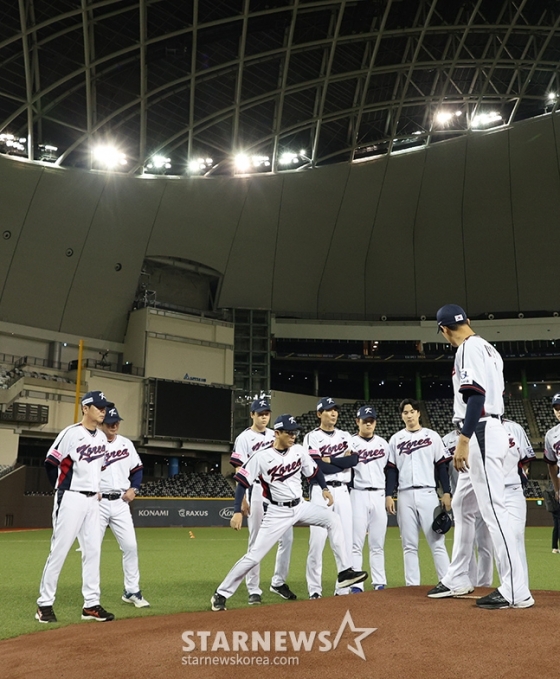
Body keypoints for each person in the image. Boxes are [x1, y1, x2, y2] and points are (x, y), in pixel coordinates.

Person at [427, 304, 534, 609]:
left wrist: (463, 439)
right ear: (468, 321)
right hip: (489, 428)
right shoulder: (489, 348)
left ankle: (516, 589)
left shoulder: (466, 349)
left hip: (481, 431)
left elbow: (475, 396)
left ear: (444, 330)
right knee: (462, 504)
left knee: (493, 513)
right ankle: (458, 576)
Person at [211, 414, 368, 611]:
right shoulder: (261, 457)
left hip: (300, 506)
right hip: (277, 511)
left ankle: (345, 572)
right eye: (289, 432)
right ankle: (221, 593)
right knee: (254, 556)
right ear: (277, 433)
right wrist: (237, 511)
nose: (293, 436)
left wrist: (324, 488)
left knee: (333, 519)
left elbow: (314, 471)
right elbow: (242, 482)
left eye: (295, 432)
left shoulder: (299, 452)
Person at [36, 390, 115, 623]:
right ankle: (44, 604)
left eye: (104, 407)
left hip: (93, 501)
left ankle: (91, 604)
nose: (103, 411)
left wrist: (96, 488)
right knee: (59, 550)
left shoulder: (101, 438)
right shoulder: (71, 433)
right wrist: (62, 489)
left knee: (93, 551)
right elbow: (51, 463)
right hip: (71, 497)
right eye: (99, 407)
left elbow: (98, 467)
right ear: (85, 408)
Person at [229, 399, 294, 604]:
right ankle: (253, 588)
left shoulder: (275, 433)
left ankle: (278, 581)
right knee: (256, 540)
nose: (264, 416)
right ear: (252, 415)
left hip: (277, 489)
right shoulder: (244, 438)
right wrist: (244, 498)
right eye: (260, 413)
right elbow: (239, 469)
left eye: (267, 413)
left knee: (288, 538)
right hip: (255, 488)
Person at [386, 398, 452, 586]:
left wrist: (446, 492)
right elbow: (392, 469)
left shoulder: (432, 436)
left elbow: (441, 466)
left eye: (411, 411)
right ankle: (411, 585)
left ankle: (446, 582)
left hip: (428, 493)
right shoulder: (396, 439)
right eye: (405, 412)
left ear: (418, 413)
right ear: (402, 416)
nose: (408, 415)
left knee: (437, 540)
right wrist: (389, 494)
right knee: (409, 544)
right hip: (404, 494)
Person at [304, 397, 357, 598]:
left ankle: (342, 589)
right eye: (328, 410)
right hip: (320, 490)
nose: (333, 413)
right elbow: (318, 467)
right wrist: (340, 462)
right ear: (319, 414)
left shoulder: (345, 435)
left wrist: (332, 460)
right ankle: (315, 590)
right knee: (317, 542)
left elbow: (353, 460)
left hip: (343, 491)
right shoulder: (312, 437)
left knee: (344, 541)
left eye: (335, 410)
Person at [99, 404, 150, 608]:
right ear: (103, 423)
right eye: (111, 422)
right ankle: (91, 598)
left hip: (120, 502)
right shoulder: (93, 443)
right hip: (98, 503)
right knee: (92, 550)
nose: (115, 425)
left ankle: (132, 591)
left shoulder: (126, 444)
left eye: (117, 421)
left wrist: (134, 488)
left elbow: (137, 469)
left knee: (130, 547)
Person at [443, 428, 493, 587]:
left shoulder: (482, 432)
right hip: (462, 494)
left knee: (485, 544)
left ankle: (484, 584)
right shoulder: (447, 439)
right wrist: (447, 493)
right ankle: (469, 580)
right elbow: (443, 470)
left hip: (482, 495)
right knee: (466, 543)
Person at [349, 405, 390, 591]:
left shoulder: (383, 443)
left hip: (379, 494)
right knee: (356, 542)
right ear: (357, 422)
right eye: (364, 420)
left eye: (371, 420)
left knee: (377, 543)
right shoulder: (349, 443)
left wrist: (389, 494)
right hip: (358, 493)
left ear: (375, 422)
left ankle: (379, 582)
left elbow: (389, 470)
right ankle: (357, 583)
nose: (368, 423)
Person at [502, 418, 535, 589]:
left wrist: (524, 472)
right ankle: (507, 587)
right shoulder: (477, 426)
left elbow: (527, 456)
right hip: (490, 492)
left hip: (513, 489)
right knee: (499, 542)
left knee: (515, 537)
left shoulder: (513, 427)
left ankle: (521, 589)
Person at [543, 393, 560, 551]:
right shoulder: (551, 435)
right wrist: (557, 489)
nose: (558, 411)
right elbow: (551, 464)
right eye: (556, 408)